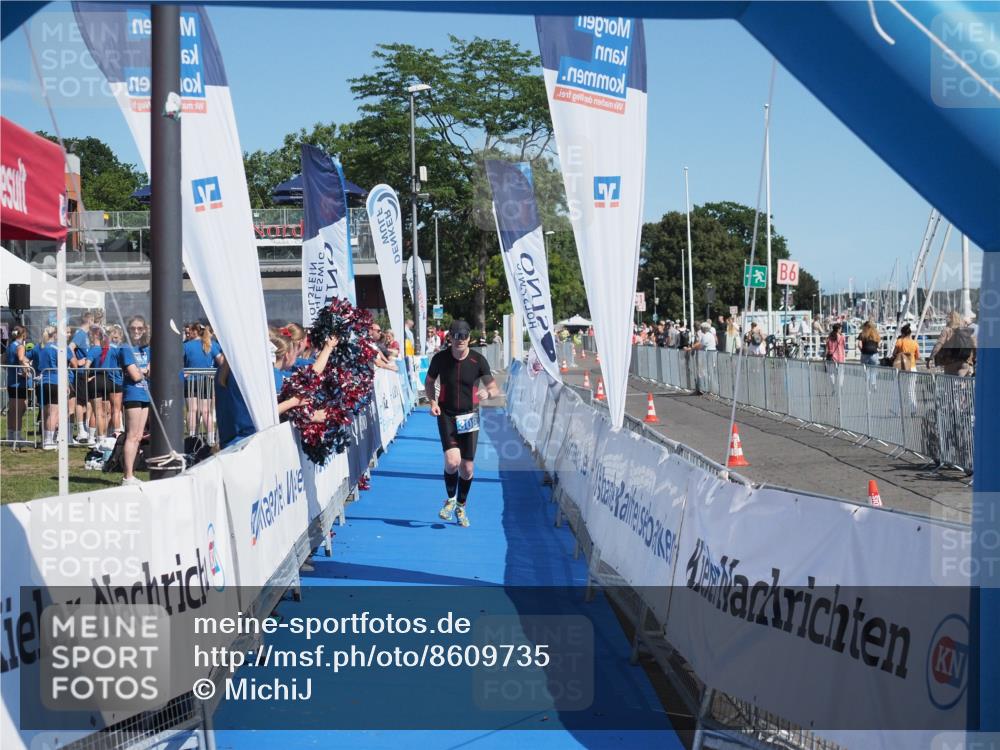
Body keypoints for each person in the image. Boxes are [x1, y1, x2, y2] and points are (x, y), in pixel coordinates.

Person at [425, 319, 499, 528]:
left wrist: (488, 393)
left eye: (463, 337)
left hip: (470, 416)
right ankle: (449, 500)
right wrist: (432, 401)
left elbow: (494, 388)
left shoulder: (478, 360)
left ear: (469, 338)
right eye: (455, 336)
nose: (459, 341)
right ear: (449, 337)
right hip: (446, 413)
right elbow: (430, 382)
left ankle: (461, 505)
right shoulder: (440, 359)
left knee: (466, 469)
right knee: (452, 462)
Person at [118, 316, 151, 485]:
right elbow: (135, 376)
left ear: (145, 329)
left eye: (140, 328)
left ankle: (131, 474)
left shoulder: (147, 349)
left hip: (146, 395)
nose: (136, 331)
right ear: (128, 330)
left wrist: (144, 370)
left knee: (139, 436)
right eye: (133, 328)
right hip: (133, 394)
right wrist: (145, 370)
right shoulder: (125, 348)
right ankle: (127, 476)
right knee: (131, 436)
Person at [183, 322, 223, 442]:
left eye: (189, 331)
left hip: (190, 381)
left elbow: (177, 363)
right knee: (206, 412)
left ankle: (192, 439)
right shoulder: (211, 344)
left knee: (192, 410)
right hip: (207, 380)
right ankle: (211, 441)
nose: (188, 333)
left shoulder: (186, 346)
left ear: (194, 331)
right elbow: (222, 361)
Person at [5, 325, 32, 447]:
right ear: (24, 334)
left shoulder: (10, 346)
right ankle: (17, 436)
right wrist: (27, 369)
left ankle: (11, 435)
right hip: (19, 383)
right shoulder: (20, 346)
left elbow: (3, 360)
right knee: (19, 410)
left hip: (11, 381)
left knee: (13, 410)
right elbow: (21, 358)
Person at [930, 310, 976, 376]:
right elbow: (974, 345)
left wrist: (931, 357)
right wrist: (974, 359)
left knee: (951, 384)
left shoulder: (947, 330)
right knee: (964, 383)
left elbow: (939, 344)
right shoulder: (965, 330)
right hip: (965, 361)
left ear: (950, 319)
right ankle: (962, 384)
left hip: (950, 362)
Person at [105, 325, 125, 435]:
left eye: (117, 337)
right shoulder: (114, 349)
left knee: (113, 409)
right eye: (113, 336)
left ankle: (112, 430)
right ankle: (117, 433)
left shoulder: (111, 348)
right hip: (115, 380)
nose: (114, 339)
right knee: (116, 409)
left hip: (114, 380)